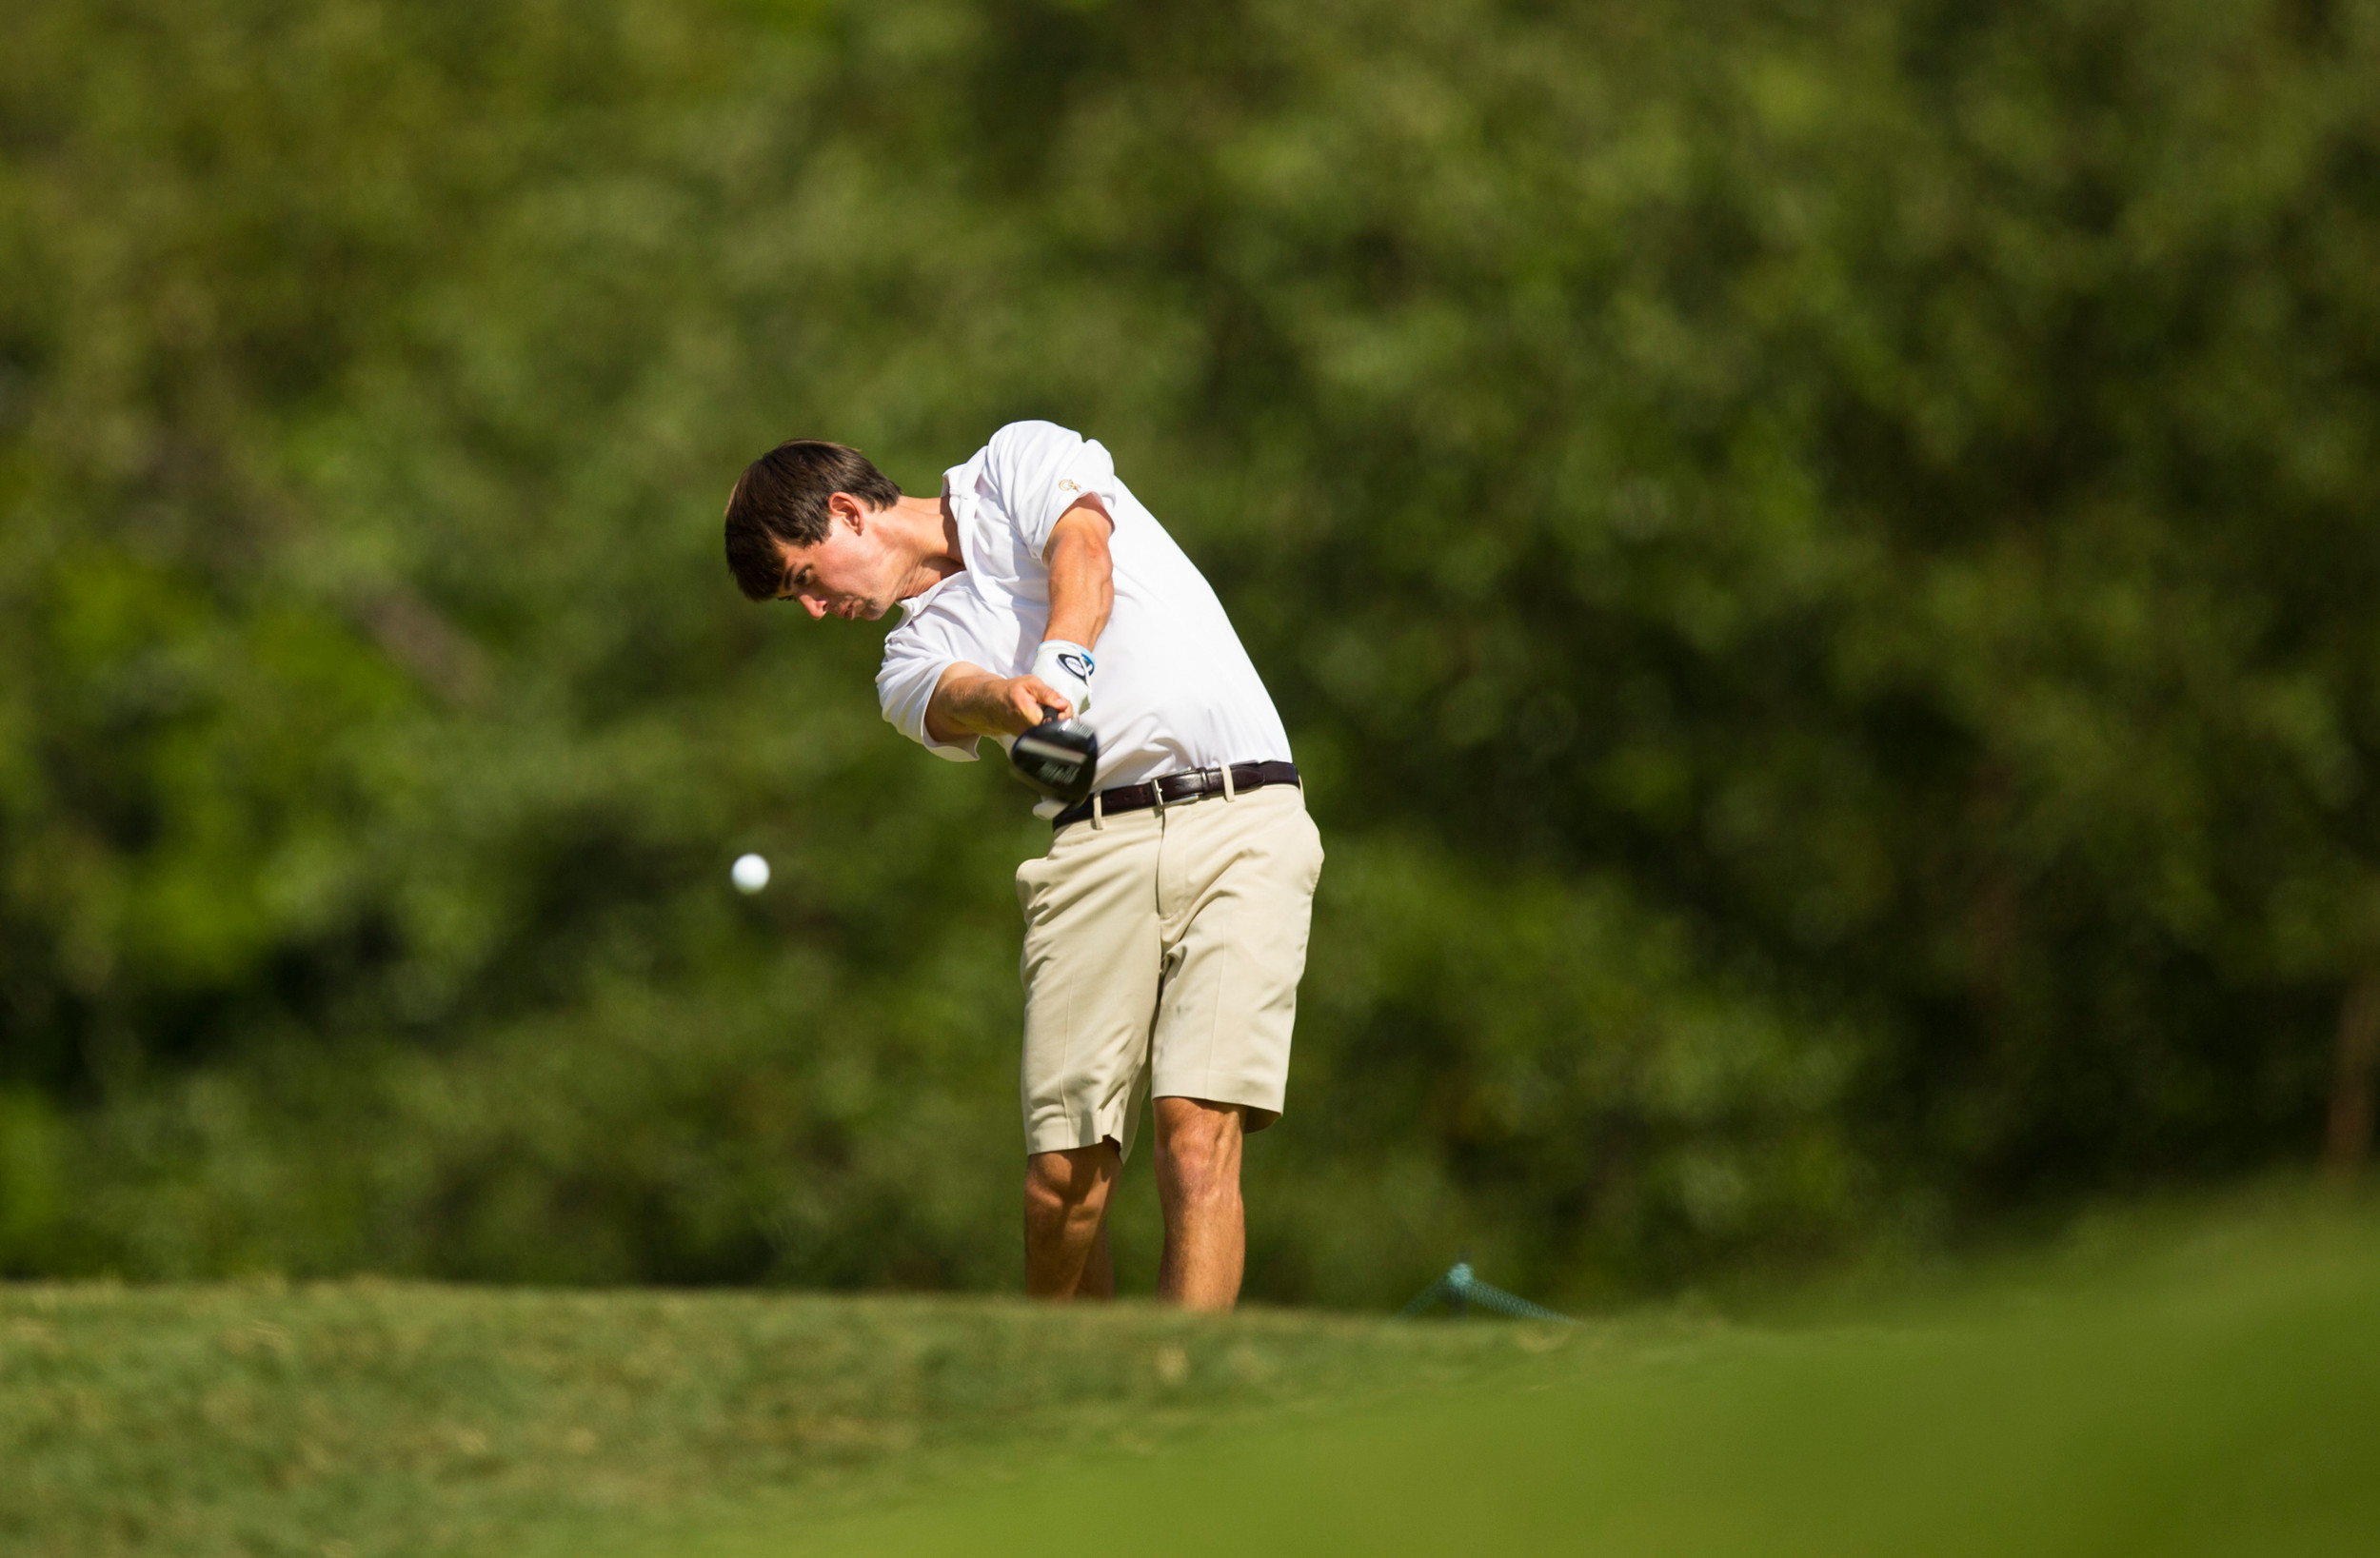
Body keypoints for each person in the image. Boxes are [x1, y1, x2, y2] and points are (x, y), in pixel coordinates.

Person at [722, 422, 1322, 1311]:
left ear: (846, 513)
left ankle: (1182, 1419)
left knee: (1195, 1145)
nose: (814, 611)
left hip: (1246, 812)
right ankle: (1075, 1414)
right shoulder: (903, 658)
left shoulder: (1014, 462)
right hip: (1092, 849)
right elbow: (956, 698)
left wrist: (1060, 665)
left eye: (804, 579)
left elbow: (1083, 547)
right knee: (1060, 1185)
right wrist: (1008, 699)